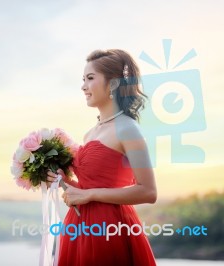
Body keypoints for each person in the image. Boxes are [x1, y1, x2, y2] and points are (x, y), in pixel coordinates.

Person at [47, 49, 157, 265]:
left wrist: (89, 196)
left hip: (109, 228)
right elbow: (87, 189)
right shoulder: (90, 133)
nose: (83, 86)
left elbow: (149, 191)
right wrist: (62, 181)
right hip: (78, 227)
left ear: (114, 84)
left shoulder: (128, 129)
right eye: (83, 79)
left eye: (90, 78)